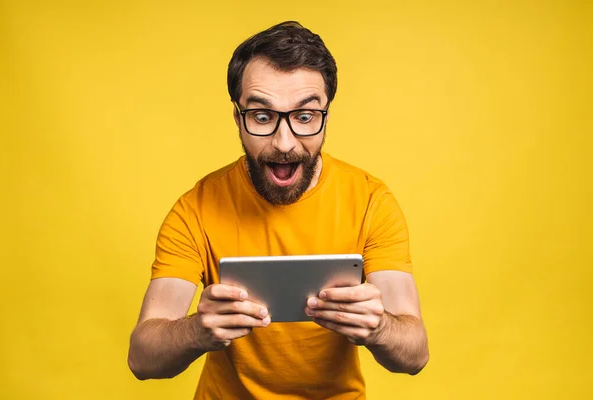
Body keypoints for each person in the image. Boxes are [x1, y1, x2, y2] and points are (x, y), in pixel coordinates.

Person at [127, 21, 429, 399]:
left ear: (325, 118)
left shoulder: (370, 200)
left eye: (304, 117)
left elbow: (415, 353)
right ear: (238, 119)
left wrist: (379, 327)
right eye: (262, 116)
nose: (284, 143)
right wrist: (197, 330)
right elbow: (142, 359)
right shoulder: (195, 209)